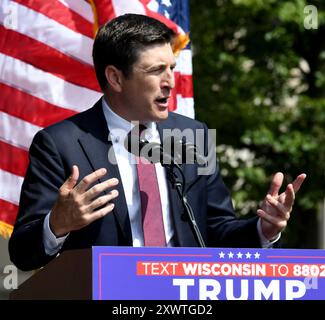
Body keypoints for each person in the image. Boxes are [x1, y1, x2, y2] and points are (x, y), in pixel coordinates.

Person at [9, 14, 306, 271]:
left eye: (172, 68)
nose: (170, 82)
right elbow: (22, 253)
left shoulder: (193, 136)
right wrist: (57, 224)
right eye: (155, 70)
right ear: (115, 77)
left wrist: (262, 230)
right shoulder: (60, 143)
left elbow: (215, 231)